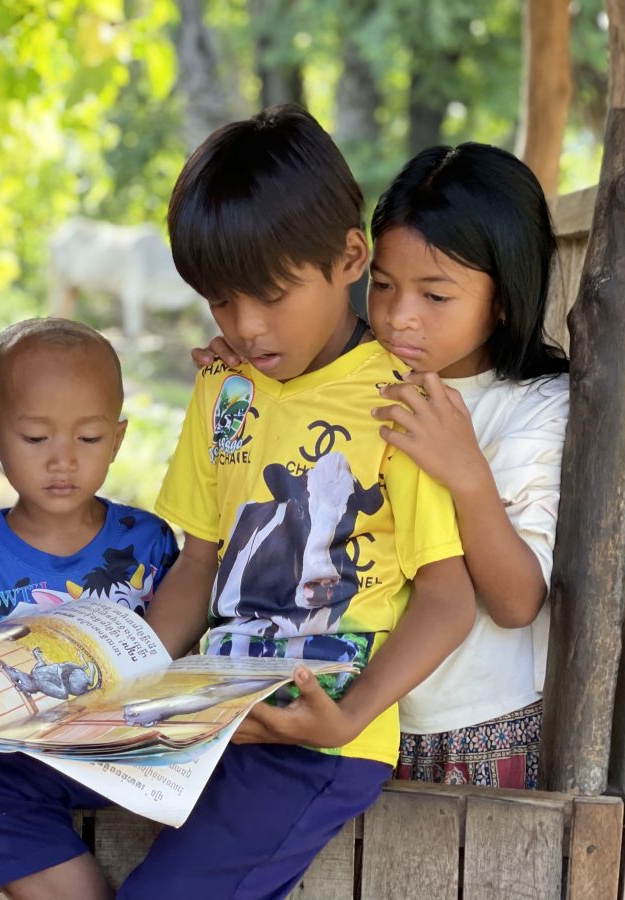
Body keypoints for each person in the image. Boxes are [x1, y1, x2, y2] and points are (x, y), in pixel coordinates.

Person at [0, 105, 475, 900]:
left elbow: (450, 599)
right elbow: (200, 561)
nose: (246, 327)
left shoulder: (399, 401)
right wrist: (112, 688)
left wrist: (350, 719)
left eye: (271, 296)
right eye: (220, 302)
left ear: (350, 257)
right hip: (201, 712)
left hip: (310, 743)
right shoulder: (225, 387)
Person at [195, 143, 569, 789]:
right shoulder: (357, 379)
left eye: (437, 295)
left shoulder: (534, 408)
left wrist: (468, 474)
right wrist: (252, 361)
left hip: (473, 729)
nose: (399, 316)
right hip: (358, 721)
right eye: (386, 285)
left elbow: (517, 602)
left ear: (503, 300)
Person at [0, 318, 179, 636]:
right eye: (37, 438)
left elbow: (183, 666)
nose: (63, 461)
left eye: (90, 437)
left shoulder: (149, 543)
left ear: (116, 442)